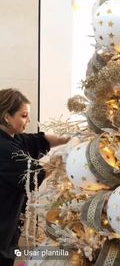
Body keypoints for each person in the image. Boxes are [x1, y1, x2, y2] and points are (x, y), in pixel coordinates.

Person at [0, 88, 70, 266]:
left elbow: (41, 140)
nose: (28, 120)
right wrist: (57, 160)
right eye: (23, 115)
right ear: (7, 117)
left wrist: (69, 139)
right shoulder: (4, 148)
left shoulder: (12, 138)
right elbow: (34, 176)